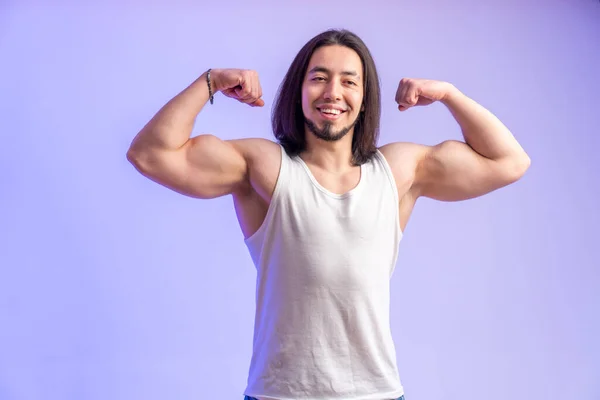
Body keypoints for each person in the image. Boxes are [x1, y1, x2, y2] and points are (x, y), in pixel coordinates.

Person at [126, 29, 530, 400]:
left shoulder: (398, 171)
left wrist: (448, 94)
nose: (333, 92)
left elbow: (509, 161)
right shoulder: (264, 166)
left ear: (364, 96)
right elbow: (150, 155)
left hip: (377, 393)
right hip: (279, 394)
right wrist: (210, 81)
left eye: (349, 81)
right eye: (319, 78)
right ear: (299, 90)